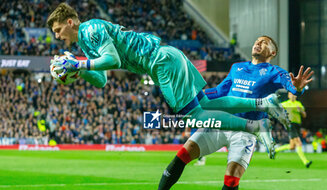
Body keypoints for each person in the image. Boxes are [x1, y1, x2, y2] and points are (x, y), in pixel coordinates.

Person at [47, 3, 289, 155]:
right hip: (167, 56)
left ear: (70, 22)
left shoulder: (90, 29)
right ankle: (263, 104)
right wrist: (80, 71)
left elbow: (114, 61)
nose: (58, 36)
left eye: (58, 30)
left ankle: (254, 126)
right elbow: (102, 80)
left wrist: (78, 62)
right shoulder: (87, 44)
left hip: (160, 61)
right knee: (205, 102)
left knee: (194, 116)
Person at [132, 36, 314, 190]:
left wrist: (297, 87)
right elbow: (219, 91)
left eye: (265, 42)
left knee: (232, 176)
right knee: (183, 154)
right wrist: (193, 96)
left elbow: (291, 85)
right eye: (257, 41)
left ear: (273, 52)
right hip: (220, 122)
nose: (258, 43)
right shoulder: (237, 67)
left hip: (246, 130)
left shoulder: (274, 71)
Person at [275, 92, 312, 168]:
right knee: (299, 143)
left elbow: (304, 115)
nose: (293, 96)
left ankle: (275, 150)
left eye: (294, 95)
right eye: (291, 94)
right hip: (290, 125)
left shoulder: (298, 104)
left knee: (292, 146)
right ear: (289, 96)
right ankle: (305, 162)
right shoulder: (285, 104)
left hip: (297, 125)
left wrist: (300, 111)